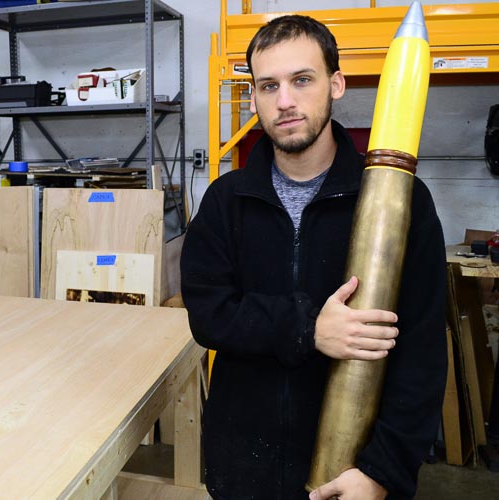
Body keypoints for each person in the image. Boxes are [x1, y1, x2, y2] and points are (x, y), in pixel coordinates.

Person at [180, 14, 447, 500]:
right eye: (268, 86)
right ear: (254, 95)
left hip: (350, 475)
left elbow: (423, 352)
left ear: (336, 84)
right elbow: (209, 315)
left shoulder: (401, 202)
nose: (285, 101)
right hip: (242, 469)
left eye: (302, 80)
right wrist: (307, 329)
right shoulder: (226, 200)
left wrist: (382, 471)